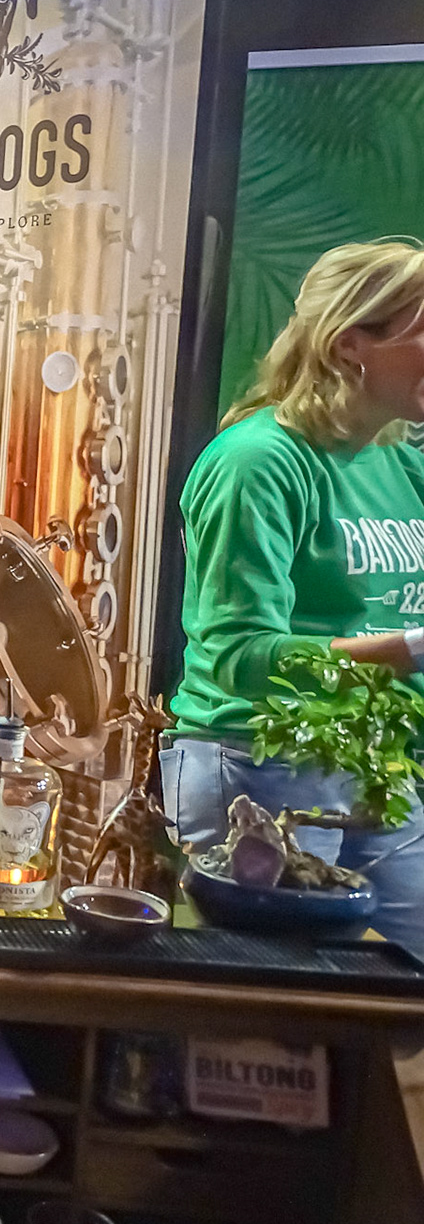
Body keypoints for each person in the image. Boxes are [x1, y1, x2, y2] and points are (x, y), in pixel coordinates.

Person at [168, 239, 424, 951]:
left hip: (372, 760)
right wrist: (407, 650)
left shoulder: (398, 457)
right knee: (268, 991)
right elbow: (240, 657)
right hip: (257, 761)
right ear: (349, 346)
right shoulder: (258, 463)